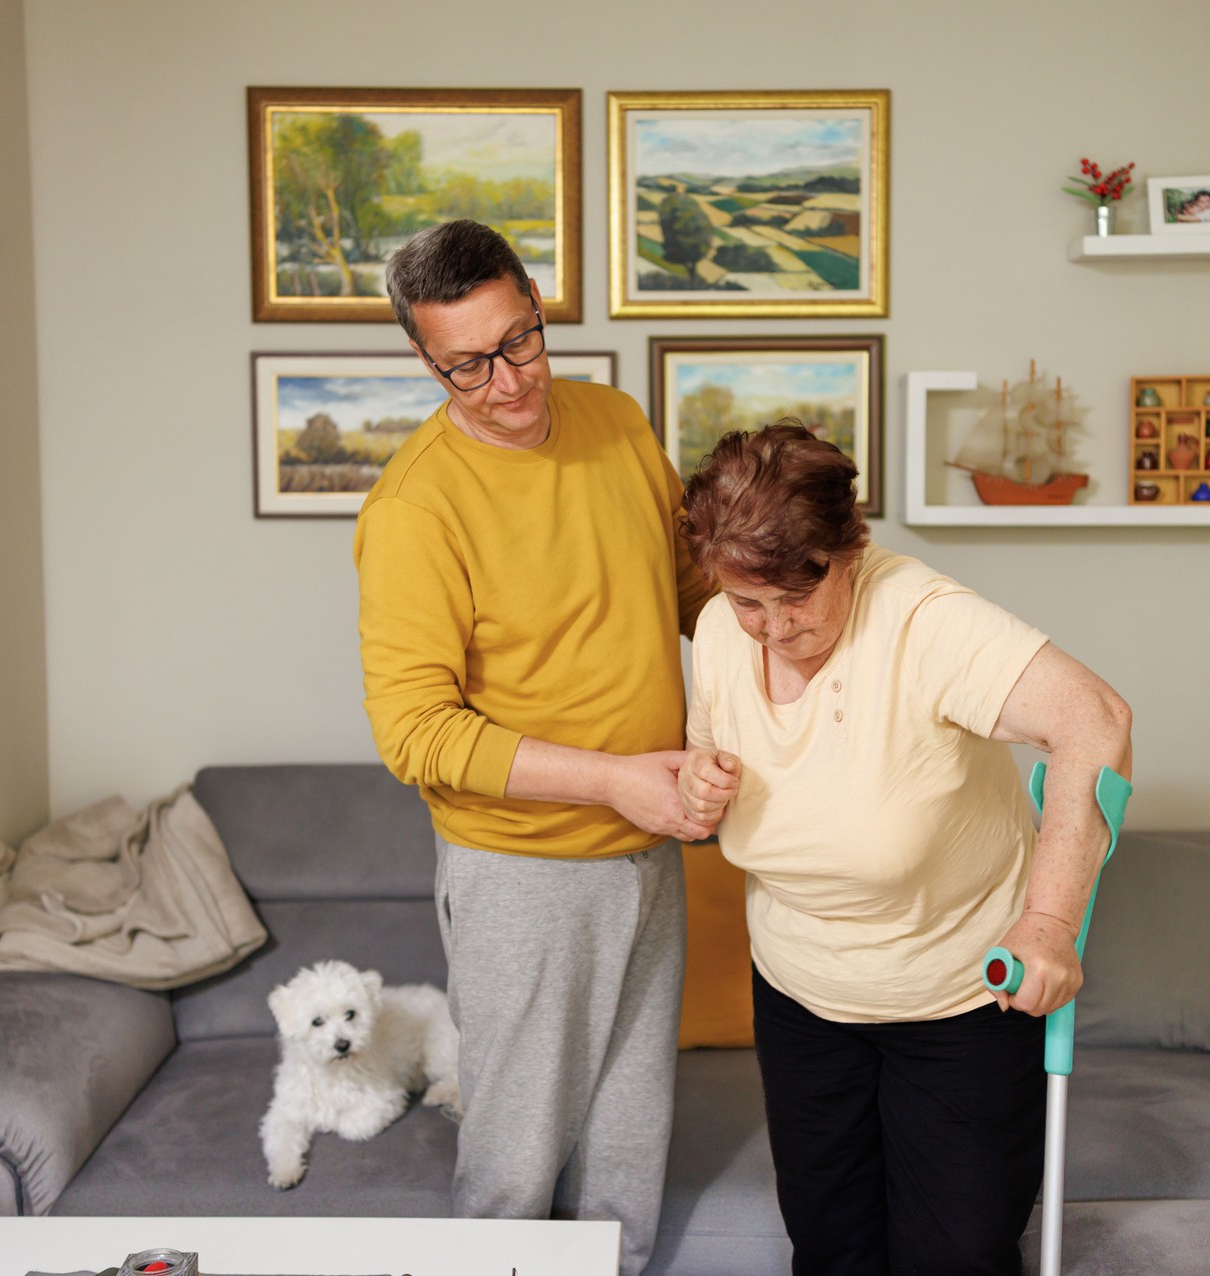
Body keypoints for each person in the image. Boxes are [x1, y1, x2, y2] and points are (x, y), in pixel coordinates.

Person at [676, 423, 1133, 1276]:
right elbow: (716, 762)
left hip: (960, 1002)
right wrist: (700, 783)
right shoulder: (716, 632)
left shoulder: (925, 622)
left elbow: (1095, 721)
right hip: (799, 995)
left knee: (955, 1257)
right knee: (830, 1246)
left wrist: (1047, 920)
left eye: (797, 597)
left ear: (850, 552)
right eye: (748, 602)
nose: (771, 629)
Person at [354, 220, 717, 1276]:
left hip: (647, 852)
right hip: (524, 872)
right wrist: (616, 781)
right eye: (467, 365)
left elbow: (691, 596)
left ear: (538, 307)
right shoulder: (416, 508)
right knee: (514, 1173)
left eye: (520, 342)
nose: (507, 381)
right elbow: (416, 732)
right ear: (426, 360)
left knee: (627, 1156)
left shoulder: (614, 422)